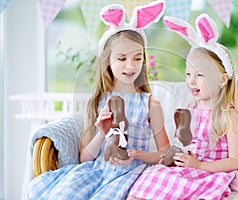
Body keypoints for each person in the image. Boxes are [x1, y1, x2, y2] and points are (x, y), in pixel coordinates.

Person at [27, 1, 169, 199]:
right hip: (97, 171)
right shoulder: (96, 102)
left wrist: (136, 155)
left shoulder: (150, 104)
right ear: (108, 60)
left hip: (133, 174)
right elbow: (85, 158)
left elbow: (164, 154)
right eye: (122, 59)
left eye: (138, 58)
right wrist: (101, 133)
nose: (131, 65)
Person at [128, 13, 238, 200]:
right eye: (189, 74)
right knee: (151, 176)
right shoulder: (191, 108)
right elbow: (184, 144)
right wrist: (174, 157)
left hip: (207, 173)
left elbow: (236, 160)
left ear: (223, 79)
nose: (191, 81)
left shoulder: (227, 115)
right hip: (187, 169)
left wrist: (199, 165)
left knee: (166, 182)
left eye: (200, 75)